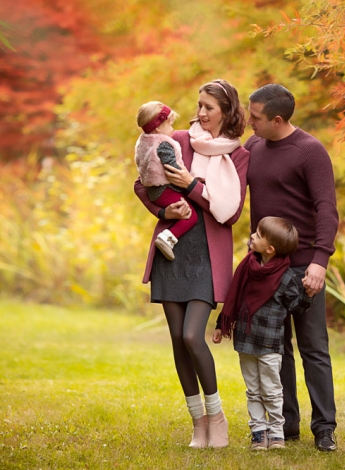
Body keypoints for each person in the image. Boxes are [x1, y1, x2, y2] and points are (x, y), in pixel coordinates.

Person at [134, 79, 249, 448]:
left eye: (209, 108)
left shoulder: (240, 155)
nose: (199, 113)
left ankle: (217, 416)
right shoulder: (179, 139)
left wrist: (191, 185)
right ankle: (198, 423)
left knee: (191, 336)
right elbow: (143, 184)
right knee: (176, 340)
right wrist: (163, 208)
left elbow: (229, 213)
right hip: (172, 249)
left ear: (227, 112)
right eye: (199, 105)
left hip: (206, 254)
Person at [244, 84, 340, 452]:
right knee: (275, 349)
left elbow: (326, 210)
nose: (249, 122)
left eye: (255, 117)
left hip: (304, 269)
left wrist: (319, 262)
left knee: (313, 348)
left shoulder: (310, 152)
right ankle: (286, 424)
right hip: (267, 266)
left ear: (277, 120)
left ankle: (325, 428)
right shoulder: (253, 147)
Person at [212, 216, 313, 451]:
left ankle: (276, 432)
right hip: (245, 342)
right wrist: (220, 324)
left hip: (269, 345)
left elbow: (295, 307)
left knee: (272, 390)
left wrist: (307, 293)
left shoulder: (286, 278)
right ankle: (258, 431)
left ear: (270, 248)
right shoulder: (247, 267)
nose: (252, 237)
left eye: (257, 235)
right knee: (253, 389)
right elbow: (233, 300)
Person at [134, 101, 197, 260]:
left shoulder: (144, 140)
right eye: (169, 124)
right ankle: (168, 238)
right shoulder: (163, 144)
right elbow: (172, 169)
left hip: (153, 191)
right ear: (158, 127)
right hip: (165, 190)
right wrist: (189, 179)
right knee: (191, 215)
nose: (173, 129)